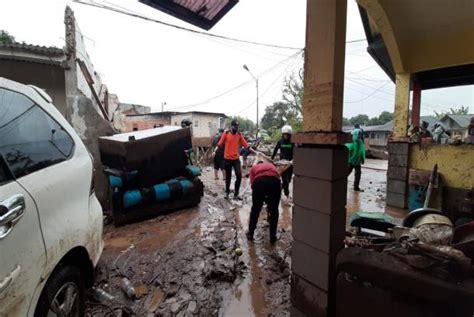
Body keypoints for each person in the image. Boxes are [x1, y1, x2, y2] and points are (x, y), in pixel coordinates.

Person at [247, 161, 281, 244]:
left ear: (258, 164)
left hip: (259, 182)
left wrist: (260, 198)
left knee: (255, 209)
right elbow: (277, 176)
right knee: (274, 210)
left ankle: (250, 234)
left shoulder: (254, 168)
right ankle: (272, 237)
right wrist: (268, 200)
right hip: (275, 181)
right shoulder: (271, 165)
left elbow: (252, 185)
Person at [216, 119, 251, 200]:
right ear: (231, 126)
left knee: (239, 175)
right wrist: (215, 151)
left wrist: (255, 151)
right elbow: (219, 143)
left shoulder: (239, 134)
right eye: (235, 126)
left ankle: (236, 193)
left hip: (236, 159)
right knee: (228, 177)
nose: (236, 128)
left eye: (237, 127)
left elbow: (246, 144)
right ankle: (227, 192)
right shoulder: (226, 133)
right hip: (227, 159)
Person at [272, 125, 294, 199]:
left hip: (290, 164)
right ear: (282, 134)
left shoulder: (292, 142)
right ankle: (287, 195)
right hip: (282, 164)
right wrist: (271, 158)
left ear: (290, 135)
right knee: (285, 180)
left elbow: (296, 152)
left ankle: (282, 187)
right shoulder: (280, 142)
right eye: (284, 134)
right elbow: (275, 150)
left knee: (289, 179)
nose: (286, 136)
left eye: (287, 135)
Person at [346, 126, 366, 191]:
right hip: (350, 161)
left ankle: (356, 187)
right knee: (346, 173)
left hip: (357, 162)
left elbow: (362, 151)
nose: (360, 136)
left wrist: (362, 159)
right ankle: (340, 183)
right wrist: (347, 160)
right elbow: (347, 151)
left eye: (360, 134)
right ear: (355, 134)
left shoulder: (360, 142)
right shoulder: (351, 142)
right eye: (359, 134)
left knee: (358, 174)